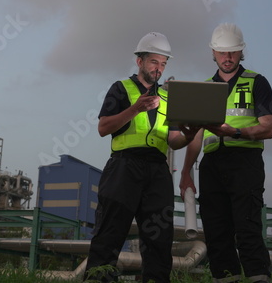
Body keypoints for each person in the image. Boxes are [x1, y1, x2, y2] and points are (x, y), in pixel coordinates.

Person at [84, 32, 199, 283]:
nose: (159, 68)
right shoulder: (120, 88)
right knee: (109, 234)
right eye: (154, 62)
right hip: (123, 167)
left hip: (158, 171)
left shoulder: (170, 98)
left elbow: (174, 140)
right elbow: (104, 128)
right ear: (140, 61)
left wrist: (189, 136)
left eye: (163, 63)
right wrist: (136, 108)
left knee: (159, 240)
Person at [179, 23, 272, 283]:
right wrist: (186, 172)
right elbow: (196, 136)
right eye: (222, 52)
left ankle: (258, 278)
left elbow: (268, 128)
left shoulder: (257, 82)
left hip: (245, 162)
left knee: (248, 229)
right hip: (211, 167)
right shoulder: (204, 87)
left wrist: (235, 133)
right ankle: (225, 279)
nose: (228, 57)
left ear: (241, 52)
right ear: (213, 52)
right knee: (216, 232)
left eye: (232, 52)